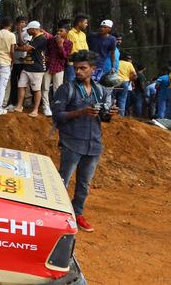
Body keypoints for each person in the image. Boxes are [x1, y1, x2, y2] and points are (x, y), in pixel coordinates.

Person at [51, 49, 118, 232]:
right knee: (62, 180)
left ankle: (77, 213)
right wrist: (80, 112)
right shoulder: (66, 88)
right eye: (76, 68)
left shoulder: (101, 90)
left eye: (83, 68)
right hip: (72, 142)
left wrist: (110, 114)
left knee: (84, 183)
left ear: (93, 69)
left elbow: (103, 118)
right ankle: (57, 216)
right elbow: (57, 115)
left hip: (94, 144)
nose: (78, 72)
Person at [15, 21, 47, 117]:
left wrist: (15, 47)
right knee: (21, 85)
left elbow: (26, 48)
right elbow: (32, 53)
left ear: (34, 29)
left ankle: (35, 110)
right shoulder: (34, 38)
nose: (27, 31)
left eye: (28, 29)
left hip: (36, 68)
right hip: (27, 66)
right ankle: (19, 106)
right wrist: (24, 59)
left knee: (36, 89)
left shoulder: (41, 38)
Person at [42, 20, 73, 117]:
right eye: (58, 31)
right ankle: (45, 107)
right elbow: (46, 51)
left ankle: (56, 107)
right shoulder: (50, 41)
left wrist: (60, 46)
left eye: (61, 31)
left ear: (66, 32)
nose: (59, 33)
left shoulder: (68, 43)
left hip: (59, 68)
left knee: (57, 89)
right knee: (45, 87)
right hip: (48, 66)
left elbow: (65, 57)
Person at [5, 16, 28, 110]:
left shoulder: (27, 34)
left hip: (24, 61)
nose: (22, 24)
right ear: (16, 24)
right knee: (14, 83)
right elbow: (12, 48)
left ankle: (21, 103)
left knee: (22, 83)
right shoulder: (12, 34)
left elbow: (23, 45)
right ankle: (13, 102)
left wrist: (19, 33)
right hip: (14, 62)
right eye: (21, 22)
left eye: (24, 22)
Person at [65, 14, 89, 81]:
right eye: (85, 23)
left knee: (81, 82)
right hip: (72, 64)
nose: (86, 25)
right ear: (79, 23)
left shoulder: (83, 34)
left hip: (83, 63)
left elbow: (86, 49)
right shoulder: (70, 33)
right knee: (72, 82)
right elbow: (68, 49)